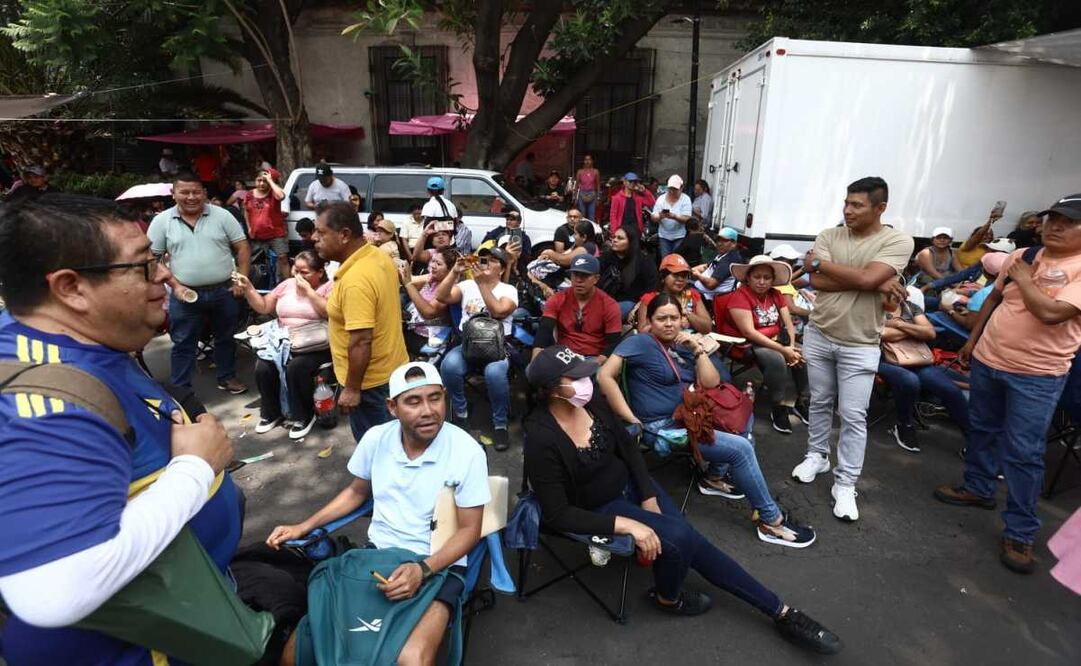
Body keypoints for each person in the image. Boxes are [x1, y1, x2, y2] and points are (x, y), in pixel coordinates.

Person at [0, 194, 241, 665]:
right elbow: (53, 590)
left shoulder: (57, 337)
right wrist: (197, 467)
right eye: (143, 266)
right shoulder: (50, 408)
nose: (164, 277)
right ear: (70, 288)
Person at [526, 346, 839, 651]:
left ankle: (781, 611)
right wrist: (629, 526)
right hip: (600, 507)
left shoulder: (591, 402)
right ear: (555, 390)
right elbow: (558, 514)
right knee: (679, 538)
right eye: (576, 378)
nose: (586, 382)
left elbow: (628, 448)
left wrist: (647, 494)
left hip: (633, 486)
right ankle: (669, 598)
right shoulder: (542, 437)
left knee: (688, 540)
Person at [266, 361, 490, 665]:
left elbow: (469, 530)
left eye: (434, 398)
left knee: (411, 660)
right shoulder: (376, 439)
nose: (428, 410)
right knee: (298, 652)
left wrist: (422, 569)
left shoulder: (467, 452)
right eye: (413, 401)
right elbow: (356, 492)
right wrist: (303, 526)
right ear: (392, 407)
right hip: (375, 557)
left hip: (440, 563)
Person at [935, 193, 1081, 574]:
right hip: (988, 361)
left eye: (1068, 221)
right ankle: (979, 488)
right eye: (1053, 219)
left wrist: (1023, 279)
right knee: (982, 428)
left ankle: (1020, 531)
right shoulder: (1023, 256)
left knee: (1023, 452)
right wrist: (972, 341)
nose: (1056, 226)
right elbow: (995, 299)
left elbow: (1051, 313)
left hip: (1037, 375)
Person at [594, 296, 816, 546]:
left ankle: (714, 477)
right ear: (651, 321)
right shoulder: (641, 342)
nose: (669, 324)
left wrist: (697, 349)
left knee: (742, 413)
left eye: (674, 318)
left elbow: (710, 383)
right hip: (664, 427)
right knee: (741, 449)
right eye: (662, 319)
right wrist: (630, 417)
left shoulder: (683, 344)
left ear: (682, 319)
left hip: (692, 416)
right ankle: (771, 521)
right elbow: (604, 375)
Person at [792, 176, 913, 522]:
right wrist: (872, 280)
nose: (848, 210)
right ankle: (817, 455)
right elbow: (818, 281)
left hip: (861, 343)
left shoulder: (897, 240)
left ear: (880, 208)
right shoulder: (830, 235)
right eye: (846, 203)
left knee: (853, 415)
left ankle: (845, 483)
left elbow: (848, 278)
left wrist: (820, 264)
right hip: (819, 332)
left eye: (857, 205)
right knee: (819, 401)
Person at [314, 202, 408, 441]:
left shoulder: (356, 280)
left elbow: (361, 341)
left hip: (370, 385)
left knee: (379, 454)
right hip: (391, 371)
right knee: (395, 446)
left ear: (344, 234)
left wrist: (353, 388)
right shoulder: (376, 255)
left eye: (321, 232)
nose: (314, 238)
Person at [148, 172, 250, 394]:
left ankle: (227, 377)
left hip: (225, 290)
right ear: (173, 194)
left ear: (204, 193)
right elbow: (151, 260)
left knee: (226, 338)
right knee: (183, 343)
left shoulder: (222, 215)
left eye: (196, 192)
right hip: (184, 294)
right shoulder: (161, 221)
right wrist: (175, 285)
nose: (191, 197)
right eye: (184, 192)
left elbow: (242, 247)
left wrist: (241, 280)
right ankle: (181, 391)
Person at [236, 250, 333, 439]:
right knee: (263, 366)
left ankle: (304, 415)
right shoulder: (287, 285)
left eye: (304, 272)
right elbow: (264, 307)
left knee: (296, 368)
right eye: (295, 270)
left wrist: (309, 293)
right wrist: (248, 288)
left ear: (319, 272)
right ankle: (272, 413)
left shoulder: (329, 287)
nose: (297, 276)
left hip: (314, 343)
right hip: (283, 339)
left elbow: (328, 313)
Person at [433, 247, 518, 451]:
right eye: (483, 259)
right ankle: (461, 415)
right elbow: (441, 296)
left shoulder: (508, 290)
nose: (484, 263)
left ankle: (500, 423)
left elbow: (498, 311)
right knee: (449, 365)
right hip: (467, 343)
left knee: (494, 372)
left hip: (496, 346)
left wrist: (482, 284)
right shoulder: (467, 285)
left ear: (502, 268)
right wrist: (454, 271)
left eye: (491, 260)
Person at [718, 255, 809, 434]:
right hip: (747, 343)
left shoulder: (776, 294)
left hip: (776, 340)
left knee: (805, 353)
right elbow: (749, 332)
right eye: (757, 277)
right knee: (776, 359)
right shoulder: (740, 297)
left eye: (767, 278)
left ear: (773, 280)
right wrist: (783, 350)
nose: (762, 282)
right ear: (748, 278)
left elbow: (788, 323)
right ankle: (779, 406)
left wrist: (790, 346)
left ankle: (803, 400)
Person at [875, 286, 970, 453]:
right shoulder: (871, 308)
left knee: (949, 389)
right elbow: (879, 334)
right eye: (893, 291)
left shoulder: (910, 307)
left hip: (916, 359)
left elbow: (930, 333)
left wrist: (897, 324)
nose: (898, 295)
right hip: (882, 359)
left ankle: (974, 440)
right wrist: (914, 331)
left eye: (900, 290)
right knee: (910, 381)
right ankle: (904, 424)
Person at [533, 254, 622, 364]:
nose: (579, 280)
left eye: (584, 276)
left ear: (596, 279)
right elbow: (544, 332)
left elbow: (613, 344)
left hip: (593, 358)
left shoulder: (609, 305)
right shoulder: (557, 299)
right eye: (575, 275)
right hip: (563, 356)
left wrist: (595, 364)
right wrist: (535, 361)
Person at [400, 247, 457, 357]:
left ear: (450, 271)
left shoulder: (451, 290)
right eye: (433, 261)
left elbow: (428, 312)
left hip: (430, 338)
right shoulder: (432, 277)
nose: (433, 266)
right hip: (414, 329)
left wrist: (408, 284)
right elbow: (408, 279)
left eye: (439, 264)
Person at [636, 253, 712, 335]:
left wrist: (688, 314)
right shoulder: (649, 299)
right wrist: (669, 319)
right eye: (676, 275)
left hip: (690, 343)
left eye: (684, 276)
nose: (680, 279)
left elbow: (707, 328)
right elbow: (642, 333)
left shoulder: (692, 294)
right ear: (663, 277)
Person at [598, 226, 658, 319]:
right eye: (614, 237)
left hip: (630, 302)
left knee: (606, 313)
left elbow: (651, 288)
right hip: (603, 299)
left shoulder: (644, 261)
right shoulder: (606, 257)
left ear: (631, 242)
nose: (614, 240)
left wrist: (639, 306)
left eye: (620, 238)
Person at [244, 167, 290, 281]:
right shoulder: (249, 195)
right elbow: (246, 211)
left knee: (282, 257)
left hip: (275, 233)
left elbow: (281, 196)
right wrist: (249, 227)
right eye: (259, 180)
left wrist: (270, 181)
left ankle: (289, 283)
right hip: (257, 234)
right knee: (255, 260)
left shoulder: (274, 193)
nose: (261, 183)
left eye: (264, 181)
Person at [651, 175, 693, 258]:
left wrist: (674, 216)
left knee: (676, 261)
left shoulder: (686, 199)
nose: (672, 192)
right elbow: (653, 217)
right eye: (670, 189)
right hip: (664, 236)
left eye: (675, 189)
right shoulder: (661, 199)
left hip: (679, 236)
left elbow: (687, 218)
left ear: (681, 188)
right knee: (665, 261)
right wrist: (660, 216)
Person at [691, 227, 741, 298]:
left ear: (733, 243)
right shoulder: (723, 254)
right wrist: (688, 270)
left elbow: (711, 284)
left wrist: (698, 275)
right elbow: (706, 267)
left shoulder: (730, 259)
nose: (719, 243)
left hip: (705, 296)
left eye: (724, 241)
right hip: (699, 289)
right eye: (718, 240)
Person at [482, 209, 532, 275]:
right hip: (494, 261)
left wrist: (513, 255)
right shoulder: (498, 231)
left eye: (512, 220)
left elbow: (526, 257)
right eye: (507, 219)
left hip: (514, 266)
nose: (508, 221)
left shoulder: (524, 238)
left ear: (519, 222)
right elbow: (484, 244)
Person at [608, 172, 655, 237]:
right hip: (622, 229)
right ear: (624, 182)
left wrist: (644, 191)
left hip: (635, 229)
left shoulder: (638, 198)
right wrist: (614, 231)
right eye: (630, 181)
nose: (632, 184)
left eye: (635, 182)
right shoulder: (617, 198)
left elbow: (651, 202)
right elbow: (613, 216)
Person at [574, 154, 600, 220]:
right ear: (583, 161)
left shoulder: (596, 171)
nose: (587, 161)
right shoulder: (580, 172)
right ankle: (582, 229)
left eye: (589, 159)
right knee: (582, 214)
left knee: (591, 215)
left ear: (592, 161)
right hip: (582, 194)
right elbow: (577, 185)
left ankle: (591, 229)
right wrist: (575, 197)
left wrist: (598, 197)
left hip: (592, 194)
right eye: (586, 160)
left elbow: (598, 185)